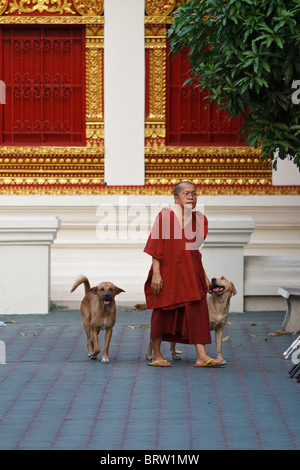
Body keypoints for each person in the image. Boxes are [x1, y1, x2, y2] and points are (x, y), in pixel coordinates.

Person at [144, 181, 223, 367]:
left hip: (191, 272)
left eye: (194, 194)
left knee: (198, 311)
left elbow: (194, 252)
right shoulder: (165, 216)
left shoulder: (200, 219)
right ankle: (156, 355)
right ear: (176, 198)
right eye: (186, 193)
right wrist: (156, 274)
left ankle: (202, 356)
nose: (191, 197)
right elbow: (156, 247)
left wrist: (203, 276)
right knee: (162, 311)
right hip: (167, 272)